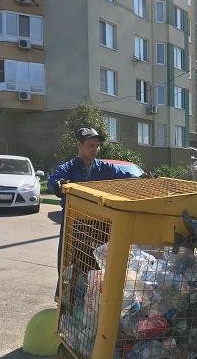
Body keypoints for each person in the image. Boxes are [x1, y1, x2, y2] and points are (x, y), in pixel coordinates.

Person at [48, 127, 136, 301]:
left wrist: (142, 180)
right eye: (90, 145)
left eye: (97, 146)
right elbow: (54, 181)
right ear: (79, 146)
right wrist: (58, 185)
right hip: (76, 225)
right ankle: (65, 300)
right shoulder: (69, 167)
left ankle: (96, 300)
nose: (94, 149)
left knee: (97, 264)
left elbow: (125, 176)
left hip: (100, 226)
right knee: (70, 263)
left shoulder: (104, 168)